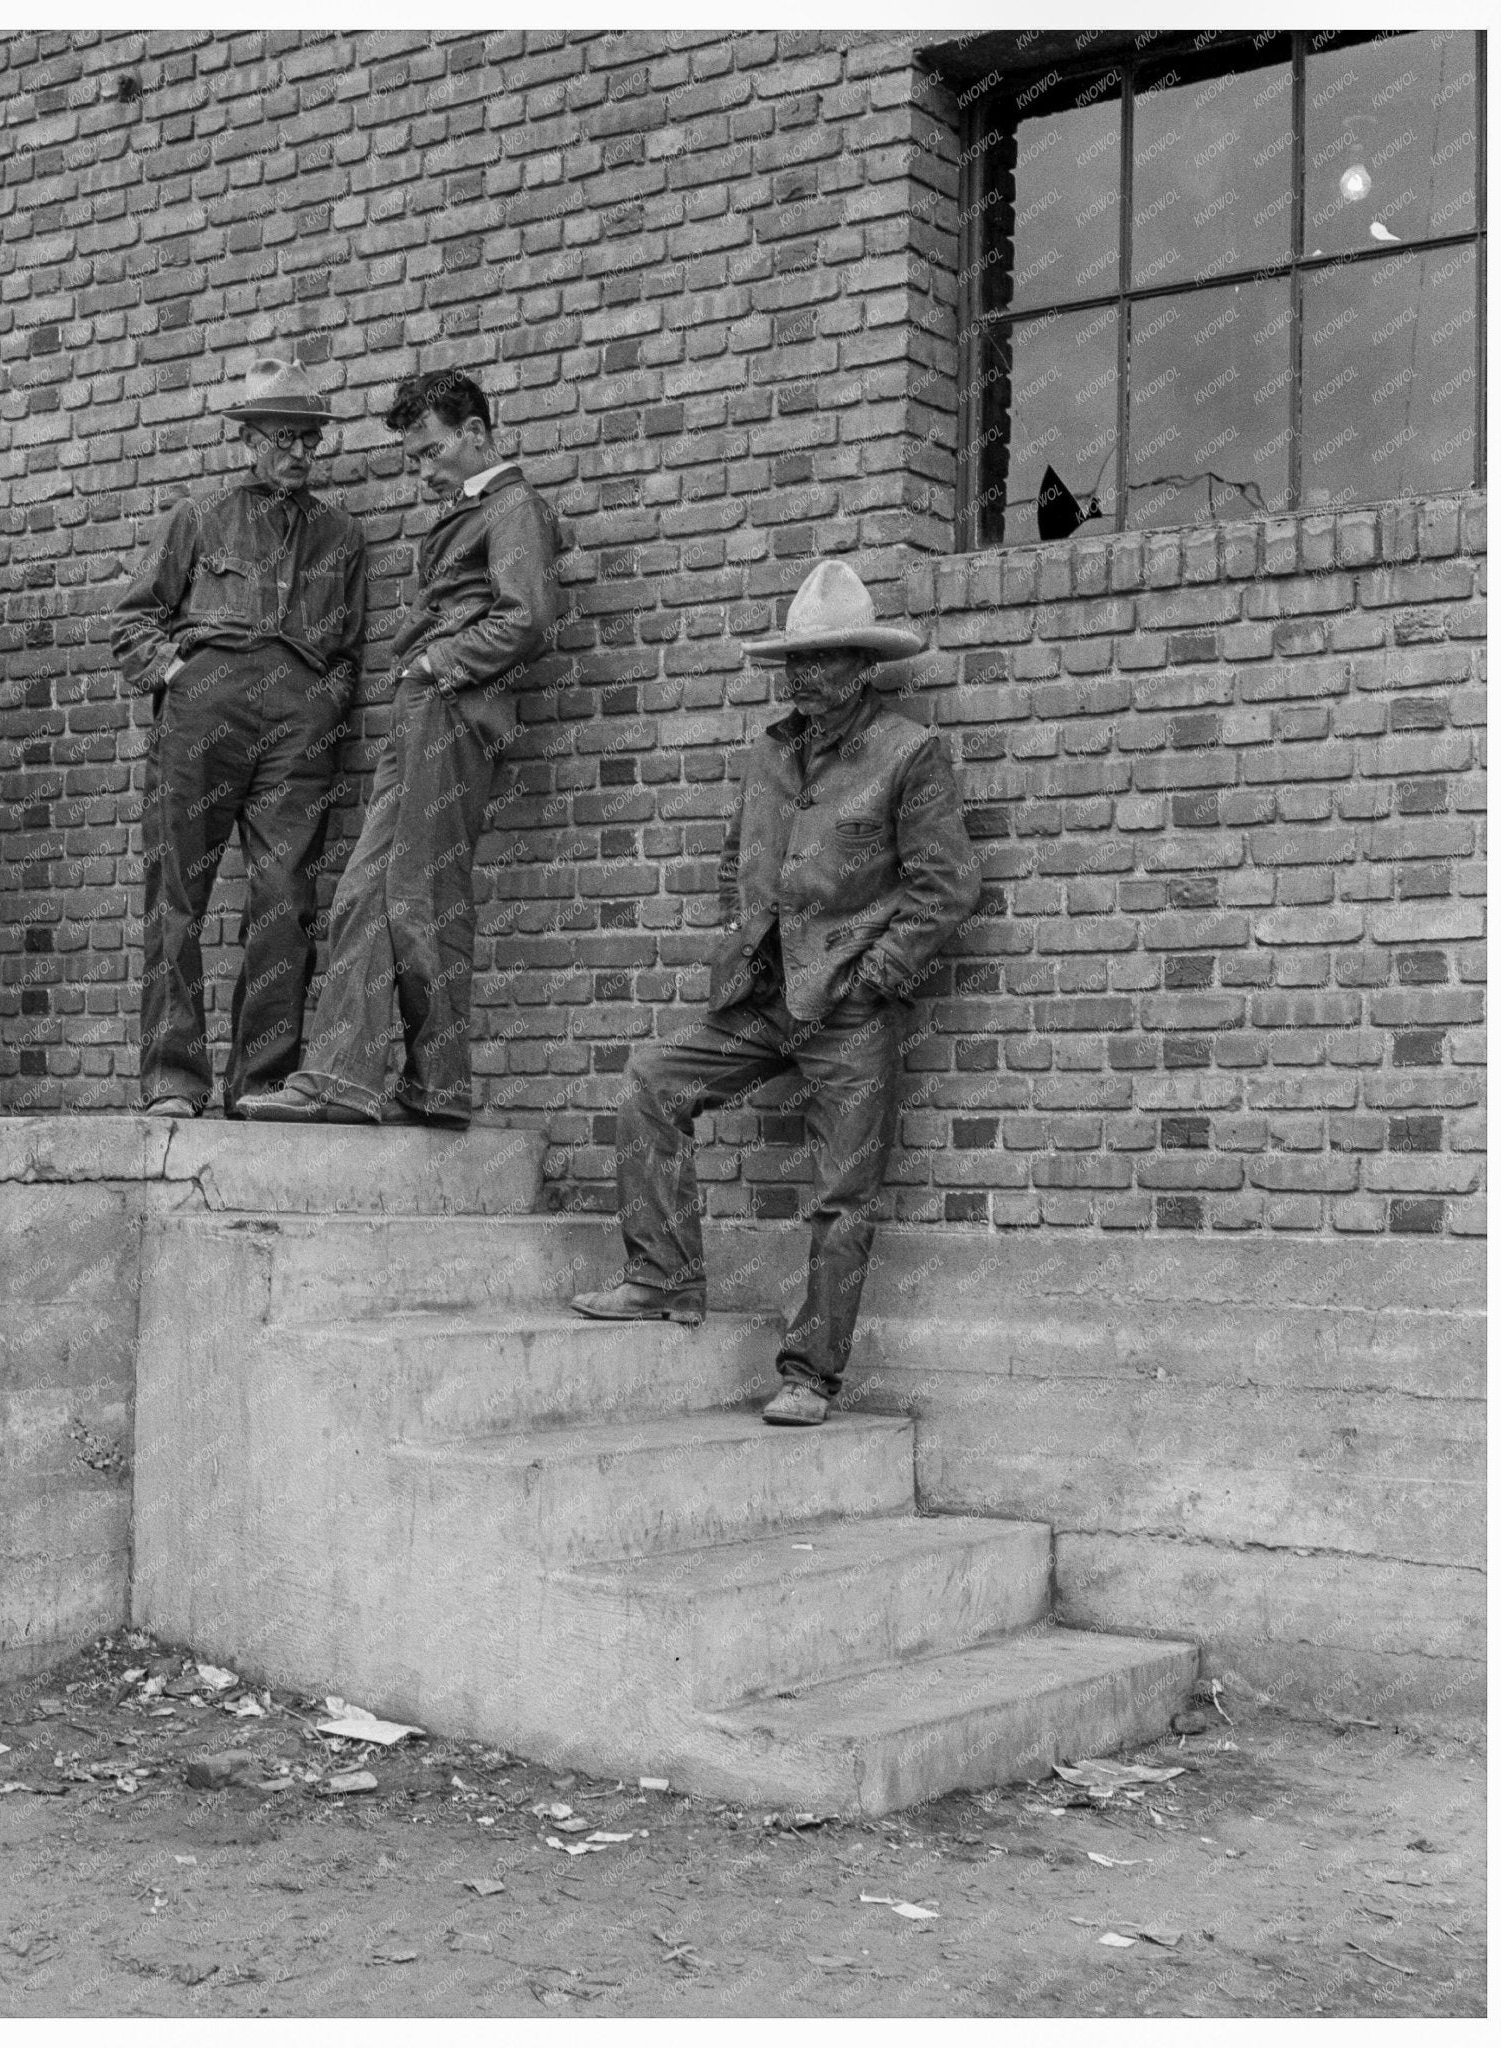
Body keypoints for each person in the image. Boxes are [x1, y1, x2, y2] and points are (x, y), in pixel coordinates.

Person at [570, 560, 983, 1427]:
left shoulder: (909, 752)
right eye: (795, 659)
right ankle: (663, 1277)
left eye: (825, 658)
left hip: (850, 1012)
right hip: (758, 997)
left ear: (864, 665)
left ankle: (811, 1376)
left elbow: (946, 888)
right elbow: (741, 857)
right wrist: (742, 941)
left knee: (842, 1199)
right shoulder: (767, 750)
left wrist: (872, 980)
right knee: (653, 1083)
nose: (805, 674)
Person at [239, 368, 559, 1128]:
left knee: (416, 897)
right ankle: (388, 1081)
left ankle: (392, 1082)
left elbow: (530, 617)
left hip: (452, 707)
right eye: (412, 457)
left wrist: (437, 663)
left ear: (477, 434)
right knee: (375, 894)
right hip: (428, 710)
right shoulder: (474, 509)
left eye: (430, 451)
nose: (421, 470)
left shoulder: (513, 508)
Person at [111, 357, 367, 1117]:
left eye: (310, 441)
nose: (299, 453)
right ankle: (172, 1080)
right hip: (204, 711)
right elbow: (131, 623)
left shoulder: (341, 535)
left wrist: (322, 711)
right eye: (285, 437)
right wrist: (177, 673)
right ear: (249, 438)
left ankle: (261, 1082)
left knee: (285, 897)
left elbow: (349, 649)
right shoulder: (199, 516)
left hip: (300, 720)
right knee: (177, 895)